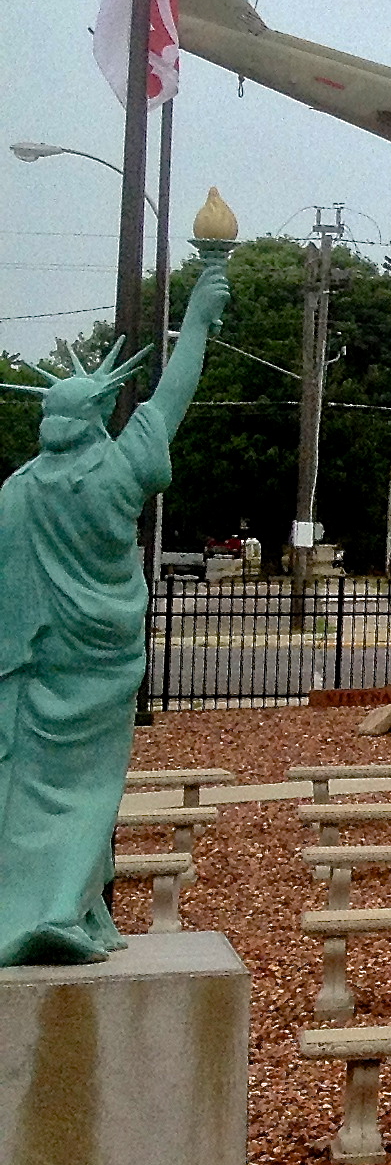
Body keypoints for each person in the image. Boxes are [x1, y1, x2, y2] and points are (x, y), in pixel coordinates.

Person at [0, 251, 232, 966]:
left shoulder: (17, 490)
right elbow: (171, 399)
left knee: (32, 788)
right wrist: (198, 320)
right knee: (90, 792)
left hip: (38, 662)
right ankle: (55, 911)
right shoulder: (118, 472)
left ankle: (72, 909)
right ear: (98, 414)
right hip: (103, 662)